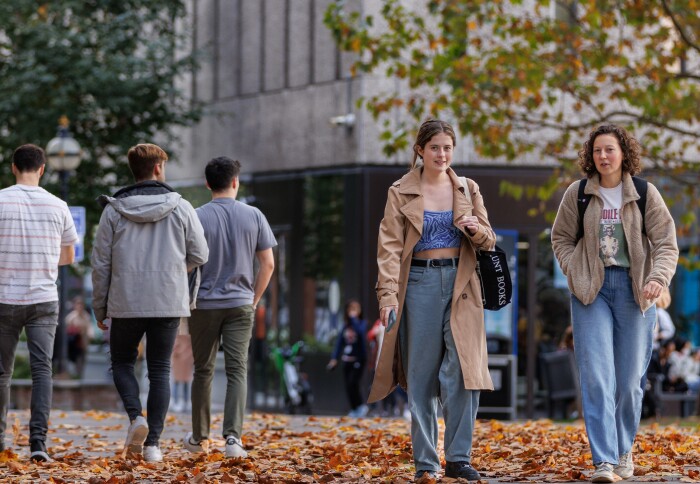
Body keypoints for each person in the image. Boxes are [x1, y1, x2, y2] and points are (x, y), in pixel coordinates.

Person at [551, 124, 678, 483]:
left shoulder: (643, 193)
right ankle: (604, 461)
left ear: (624, 153)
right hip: (592, 290)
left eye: (609, 150)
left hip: (636, 291)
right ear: (590, 157)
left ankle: (624, 450)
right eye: (597, 151)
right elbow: (560, 237)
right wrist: (573, 270)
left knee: (628, 381)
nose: (603, 157)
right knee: (596, 376)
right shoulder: (578, 193)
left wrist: (658, 277)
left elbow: (667, 243)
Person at [371, 119, 496, 481]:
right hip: (420, 283)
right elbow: (390, 246)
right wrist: (388, 295)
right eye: (435, 147)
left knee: (465, 372)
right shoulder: (401, 190)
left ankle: (459, 458)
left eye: (447, 148)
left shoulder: (468, 188)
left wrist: (475, 229)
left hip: (463, 283)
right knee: (421, 376)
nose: (442, 154)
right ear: (420, 150)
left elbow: (489, 240)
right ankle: (427, 462)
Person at [91, 143, 208, 462]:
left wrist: (99, 308)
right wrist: (170, 271)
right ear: (158, 168)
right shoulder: (182, 207)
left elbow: (101, 264)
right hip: (168, 300)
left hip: (125, 301)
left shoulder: (113, 211)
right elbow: (200, 254)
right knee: (159, 370)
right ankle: (153, 445)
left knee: (122, 362)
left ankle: (135, 418)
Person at [182, 157, 276, 459]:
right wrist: (254, 298)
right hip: (240, 303)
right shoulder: (255, 215)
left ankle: (199, 437)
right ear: (236, 182)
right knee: (237, 370)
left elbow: (184, 264)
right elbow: (268, 263)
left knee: (203, 370)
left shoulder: (195, 217)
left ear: (208, 184)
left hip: (204, 305)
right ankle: (233, 439)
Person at [0, 144, 79, 462]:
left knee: (1, 372)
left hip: (3, 297)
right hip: (44, 299)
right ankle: (38, 444)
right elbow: (69, 255)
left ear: (13, 168)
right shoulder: (58, 205)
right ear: (43, 169)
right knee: (42, 371)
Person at [327, 299, 368, 417]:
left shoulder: (361, 323)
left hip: (358, 359)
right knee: (347, 386)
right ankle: (354, 409)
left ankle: (361, 406)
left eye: (356, 309)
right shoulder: (345, 326)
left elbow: (360, 333)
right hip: (347, 360)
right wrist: (334, 358)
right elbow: (339, 343)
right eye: (351, 309)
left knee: (353, 383)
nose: (353, 311)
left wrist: (354, 319)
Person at [65, 296, 94, 378]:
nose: (79, 306)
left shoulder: (86, 316)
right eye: (78, 304)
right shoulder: (71, 317)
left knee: (81, 363)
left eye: (81, 304)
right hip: (73, 345)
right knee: (73, 362)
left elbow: (89, 328)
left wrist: (90, 335)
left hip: (83, 344)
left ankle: (79, 377)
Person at [170, 333, 194, 413]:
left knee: (177, 382)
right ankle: (185, 402)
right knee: (185, 383)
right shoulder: (190, 333)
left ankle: (176, 402)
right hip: (187, 358)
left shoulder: (177, 332)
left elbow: (174, 344)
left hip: (179, 358)